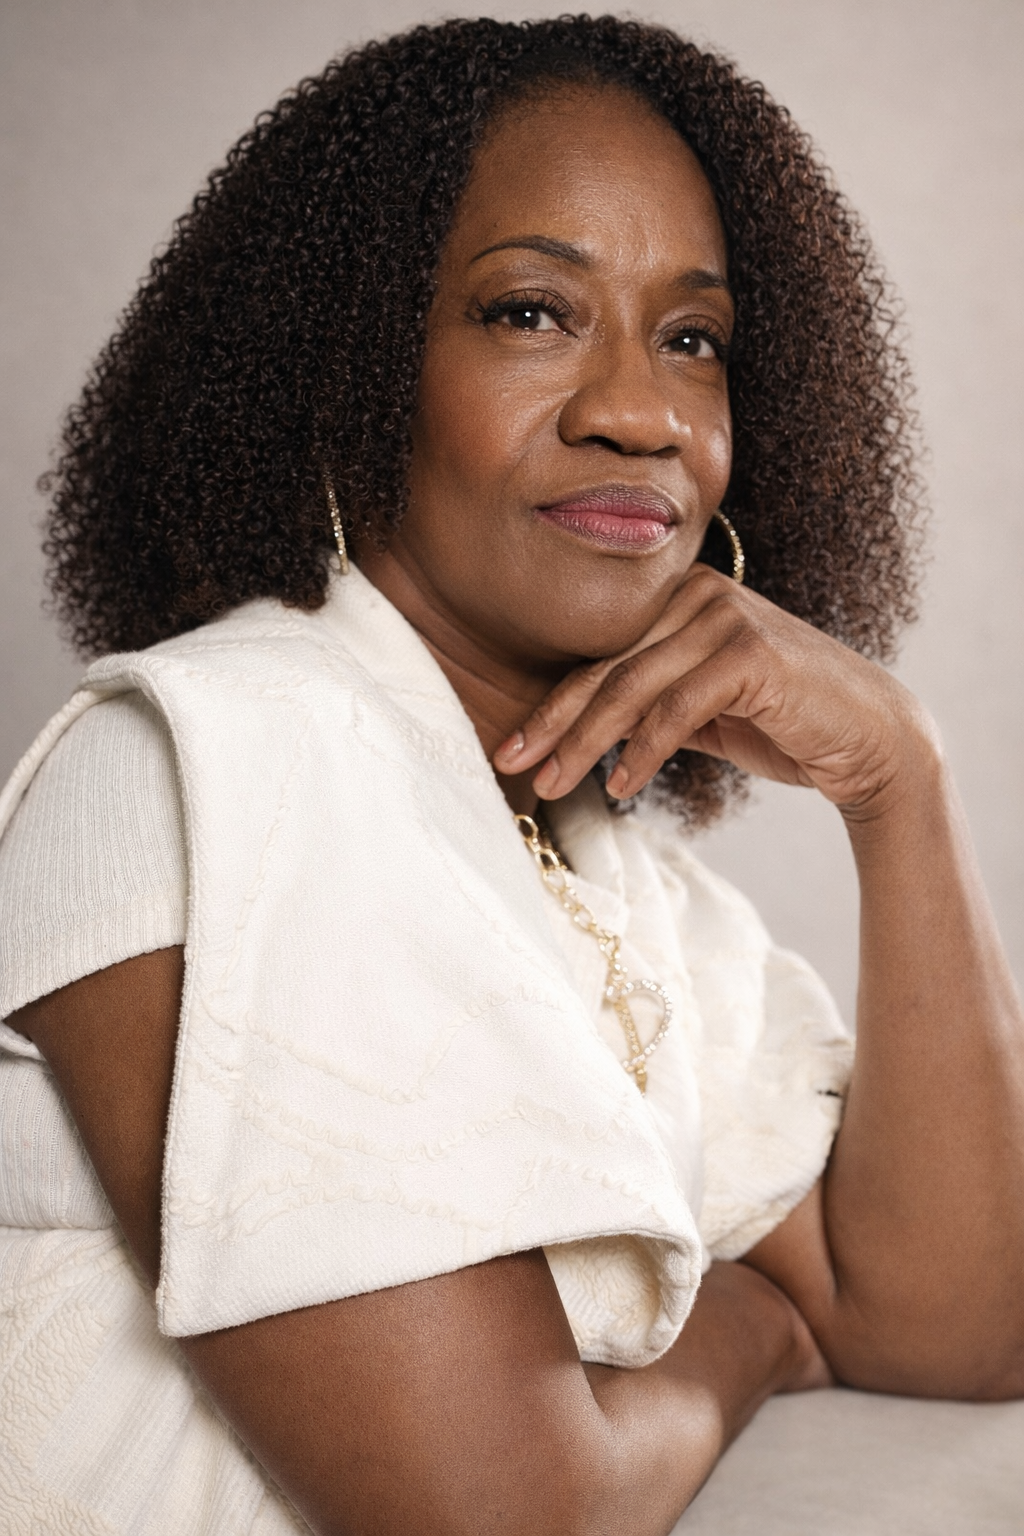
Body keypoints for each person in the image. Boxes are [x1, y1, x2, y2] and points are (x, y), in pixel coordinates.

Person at [1, 15, 1021, 1535]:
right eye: (533, 313)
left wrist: (899, 783)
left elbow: (959, 1323)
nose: (644, 411)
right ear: (345, 370)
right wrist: (754, 1328)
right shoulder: (212, 760)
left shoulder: (609, 876)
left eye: (695, 338)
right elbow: (499, 1516)